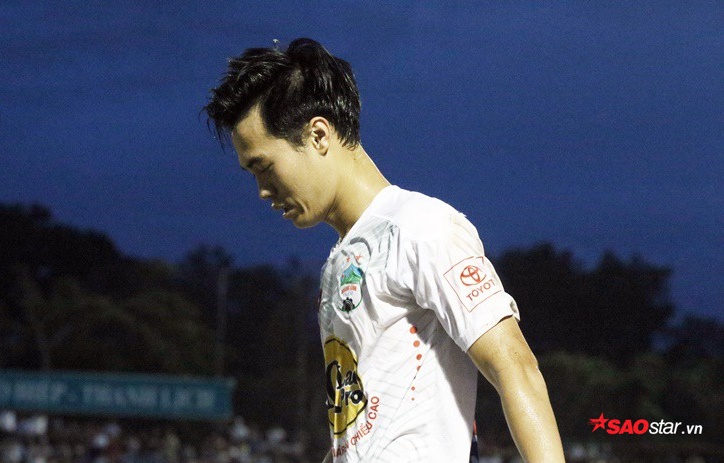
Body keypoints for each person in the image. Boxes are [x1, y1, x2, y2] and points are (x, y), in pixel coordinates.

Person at [203, 38, 565, 463]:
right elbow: (358, 436)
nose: (262, 190)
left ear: (318, 135)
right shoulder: (340, 263)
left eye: (264, 167)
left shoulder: (420, 227)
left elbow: (516, 366)